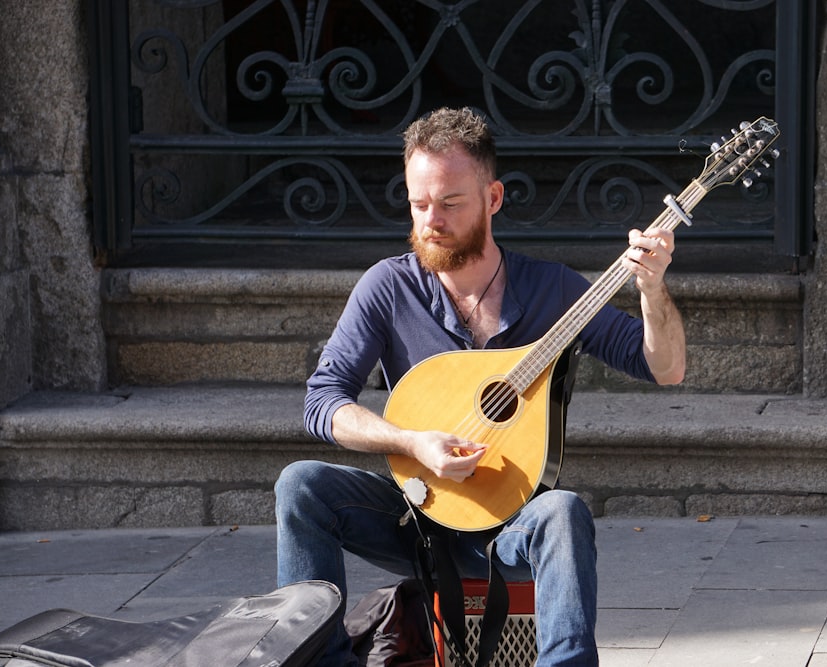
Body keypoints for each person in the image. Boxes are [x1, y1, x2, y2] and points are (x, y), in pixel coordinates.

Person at [275, 106, 686, 666]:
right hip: (414, 512)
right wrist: (412, 442)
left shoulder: (552, 289)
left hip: (513, 520)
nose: (431, 220)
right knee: (300, 485)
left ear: (492, 199)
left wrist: (651, 290)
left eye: (450, 203)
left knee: (564, 513)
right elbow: (323, 402)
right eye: (419, 204)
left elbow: (665, 368)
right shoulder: (388, 287)